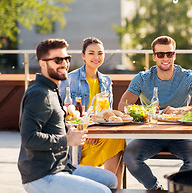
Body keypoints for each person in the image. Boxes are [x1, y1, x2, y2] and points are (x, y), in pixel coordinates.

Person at [18, 39, 117, 193]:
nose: (64, 63)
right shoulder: (39, 93)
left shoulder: (53, 89)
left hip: (61, 166)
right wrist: (68, 139)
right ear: (43, 63)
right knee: (102, 191)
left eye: (66, 59)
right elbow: (29, 138)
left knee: (111, 180)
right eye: (58, 60)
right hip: (42, 175)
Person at [118, 35, 192, 190]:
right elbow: (122, 105)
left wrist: (179, 110)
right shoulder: (143, 78)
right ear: (154, 57)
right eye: (160, 54)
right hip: (150, 135)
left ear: (175, 55)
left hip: (180, 134)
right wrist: (145, 110)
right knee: (130, 156)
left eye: (169, 54)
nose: (165, 58)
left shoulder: (187, 76)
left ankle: (175, 189)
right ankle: (155, 189)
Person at [59, 37, 125, 189]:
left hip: (99, 136)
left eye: (100, 53)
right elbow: (63, 114)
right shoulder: (69, 79)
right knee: (117, 142)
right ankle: (108, 187)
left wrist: (99, 131)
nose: (96, 57)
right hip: (80, 139)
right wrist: (85, 133)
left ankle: (112, 188)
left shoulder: (106, 81)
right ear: (83, 56)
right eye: (91, 53)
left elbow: (105, 115)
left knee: (119, 140)